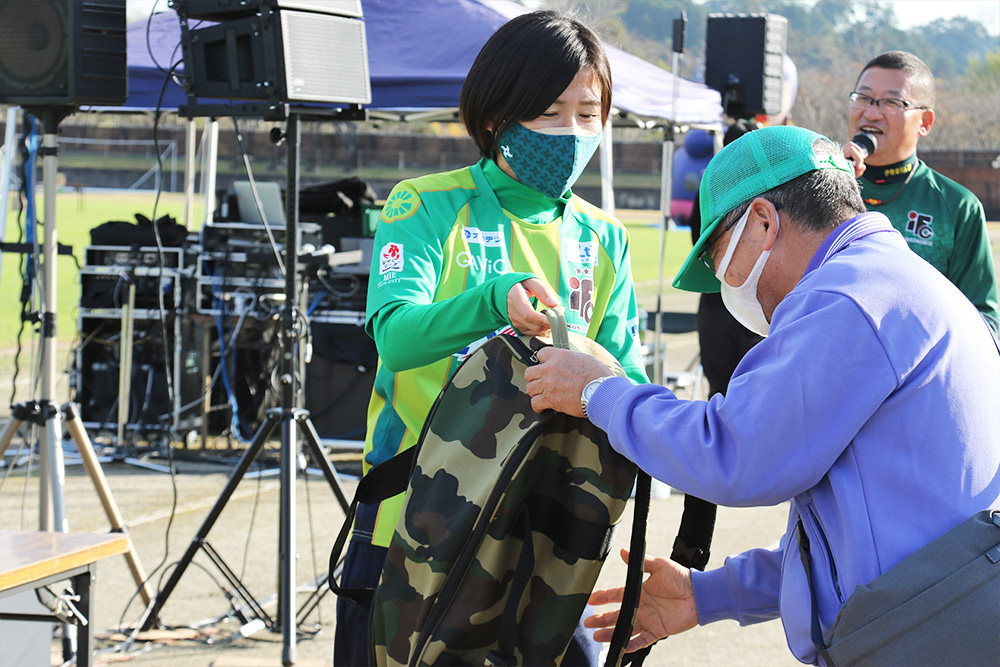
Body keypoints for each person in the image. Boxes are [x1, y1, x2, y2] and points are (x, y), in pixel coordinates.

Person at [523, 125, 1000, 664]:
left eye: (720, 257)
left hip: (918, 638)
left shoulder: (847, 298)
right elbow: (858, 537)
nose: (727, 286)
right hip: (937, 618)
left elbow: (732, 453)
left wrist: (597, 392)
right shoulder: (897, 282)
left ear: (764, 221)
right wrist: (710, 595)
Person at [333, 11, 648, 666]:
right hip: (413, 529)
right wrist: (489, 299)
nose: (571, 133)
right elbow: (395, 337)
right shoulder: (424, 206)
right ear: (495, 115)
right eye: (550, 111)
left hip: (547, 542)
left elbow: (631, 387)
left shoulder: (604, 238)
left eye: (588, 114)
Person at [843, 50, 999, 335]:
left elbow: (985, 322)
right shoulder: (815, 185)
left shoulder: (957, 206)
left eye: (891, 102)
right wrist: (830, 179)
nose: (871, 112)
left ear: (925, 122)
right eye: (863, 98)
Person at [689, 119, 762, 397]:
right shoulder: (711, 186)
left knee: (749, 390)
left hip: (749, 300)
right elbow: (697, 237)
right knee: (723, 389)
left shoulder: (769, 186)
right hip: (719, 297)